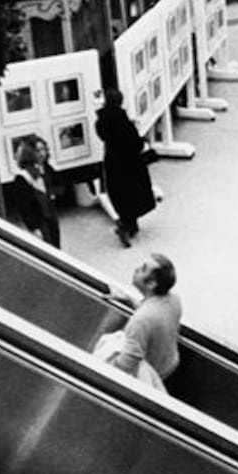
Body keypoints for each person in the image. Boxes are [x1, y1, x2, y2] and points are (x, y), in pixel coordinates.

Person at [98, 254, 182, 390]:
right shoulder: (174, 300)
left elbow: (127, 363)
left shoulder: (140, 321)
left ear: (151, 284)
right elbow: (156, 314)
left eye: (143, 269)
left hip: (154, 377)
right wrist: (129, 300)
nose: (136, 269)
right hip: (170, 365)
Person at [95, 88, 156, 247]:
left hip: (112, 161)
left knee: (120, 195)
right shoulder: (124, 122)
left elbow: (103, 136)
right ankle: (127, 226)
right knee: (133, 194)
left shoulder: (100, 121)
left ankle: (128, 224)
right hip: (130, 163)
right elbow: (136, 144)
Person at [6, 135, 60, 247]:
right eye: (38, 151)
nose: (42, 153)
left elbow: (57, 185)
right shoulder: (22, 178)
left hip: (50, 214)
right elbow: (24, 207)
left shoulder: (47, 169)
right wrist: (33, 227)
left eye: (43, 149)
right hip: (38, 219)